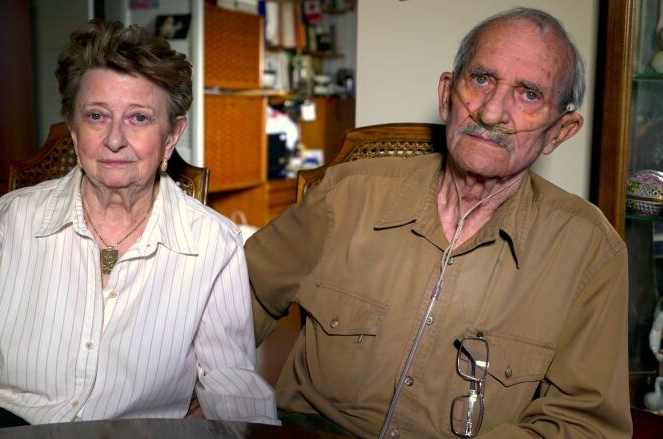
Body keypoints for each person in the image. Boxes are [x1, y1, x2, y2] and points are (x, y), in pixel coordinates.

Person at [246, 8, 631, 438]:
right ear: (448, 94)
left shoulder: (589, 250)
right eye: (482, 79)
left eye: (528, 94)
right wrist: (209, 392)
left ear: (560, 131)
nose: (491, 111)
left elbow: (584, 425)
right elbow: (236, 297)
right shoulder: (348, 193)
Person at [0, 19, 277, 436]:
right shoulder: (12, 220)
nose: (115, 139)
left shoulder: (214, 244)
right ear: (73, 129)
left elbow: (230, 386)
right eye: (96, 116)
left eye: (139, 117)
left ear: (172, 135)